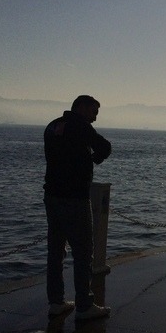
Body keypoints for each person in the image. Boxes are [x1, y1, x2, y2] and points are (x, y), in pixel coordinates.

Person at [44, 95, 112, 320]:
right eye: (93, 112)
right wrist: (94, 159)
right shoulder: (80, 127)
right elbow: (104, 146)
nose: (94, 118)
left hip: (52, 197)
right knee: (83, 252)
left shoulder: (52, 126)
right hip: (75, 198)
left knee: (55, 252)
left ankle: (56, 302)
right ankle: (84, 304)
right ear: (81, 108)